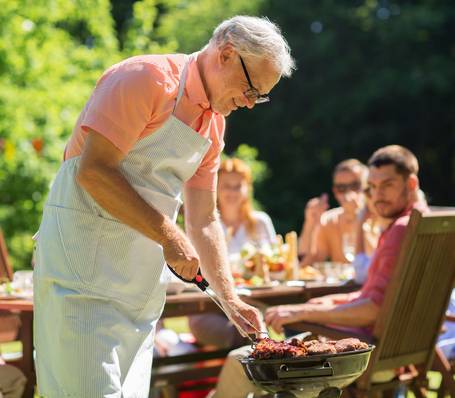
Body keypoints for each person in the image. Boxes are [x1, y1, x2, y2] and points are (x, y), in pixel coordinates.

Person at [33, 16, 295, 398]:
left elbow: (204, 219)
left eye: (260, 96)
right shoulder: (144, 78)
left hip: (139, 294)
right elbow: (93, 171)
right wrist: (170, 234)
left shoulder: (214, 126)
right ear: (226, 54)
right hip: (81, 283)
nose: (251, 104)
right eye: (252, 89)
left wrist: (230, 298)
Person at [211, 145, 428, 398]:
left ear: (411, 183)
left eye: (388, 185)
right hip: (399, 353)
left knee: (242, 363)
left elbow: (373, 309)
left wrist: (302, 311)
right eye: (374, 187)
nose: (378, 195)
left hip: (360, 355)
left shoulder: (400, 231)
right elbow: (372, 297)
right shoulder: (421, 224)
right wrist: (319, 304)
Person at [189, 158, 276, 349]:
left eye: (238, 186)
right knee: (241, 332)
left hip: (256, 299)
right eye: (226, 185)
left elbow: (275, 264)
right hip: (209, 306)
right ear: (216, 188)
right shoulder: (204, 226)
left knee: (260, 322)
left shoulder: (260, 222)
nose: (232, 192)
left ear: (247, 189)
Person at [298, 159, 379, 266]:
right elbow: (307, 263)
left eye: (355, 186)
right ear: (335, 192)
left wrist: (359, 217)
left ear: (367, 187)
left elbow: (375, 261)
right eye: (341, 188)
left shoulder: (381, 216)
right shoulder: (329, 220)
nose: (349, 193)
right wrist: (310, 223)